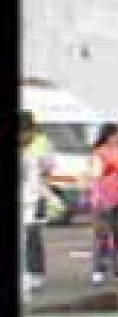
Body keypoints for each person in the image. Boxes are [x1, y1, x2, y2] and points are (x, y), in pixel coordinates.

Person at [87, 122, 118, 284]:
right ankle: (99, 269)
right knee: (102, 236)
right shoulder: (99, 154)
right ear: (109, 136)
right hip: (102, 201)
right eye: (117, 134)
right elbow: (96, 177)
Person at [19, 109, 55, 294]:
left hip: (34, 197)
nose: (28, 135)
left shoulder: (41, 143)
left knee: (32, 235)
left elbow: (49, 168)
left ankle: (35, 273)